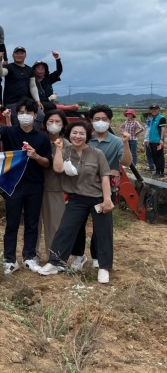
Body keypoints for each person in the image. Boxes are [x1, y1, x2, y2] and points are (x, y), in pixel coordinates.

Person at [39, 121, 114, 284]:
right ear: (69, 134)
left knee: (103, 232)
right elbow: (58, 169)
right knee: (65, 229)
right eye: (74, 133)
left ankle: (103, 267)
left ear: (87, 136)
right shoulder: (65, 151)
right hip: (77, 198)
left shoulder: (97, 153)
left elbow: (105, 177)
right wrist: (58, 149)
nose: (77, 136)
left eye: (81, 133)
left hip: (98, 198)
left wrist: (107, 199)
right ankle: (54, 262)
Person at [0, 98, 52, 274]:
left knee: (32, 223)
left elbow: (47, 162)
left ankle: (29, 257)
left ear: (34, 115)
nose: (25, 116)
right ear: (17, 115)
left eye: (28, 113)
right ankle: (9, 260)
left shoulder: (42, 137)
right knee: (12, 223)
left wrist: (36, 156)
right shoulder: (10, 132)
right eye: (21, 112)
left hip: (35, 185)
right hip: (13, 184)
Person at [69, 105, 131, 270]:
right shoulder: (85, 139)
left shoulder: (116, 141)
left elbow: (126, 162)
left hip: (103, 190)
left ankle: (97, 256)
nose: (100, 122)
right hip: (81, 188)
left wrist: (126, 144)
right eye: (96, 119)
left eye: (104, 119)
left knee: (100, 226)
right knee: (77, 223)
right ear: (91, 121)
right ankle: (78, 255)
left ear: (110, 121)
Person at [39, 110, 68, 263]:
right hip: (36, 187)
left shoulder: (67, 144)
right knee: (34, 225)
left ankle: (55, 258)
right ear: (45, 123)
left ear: (63, 125)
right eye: (51, 121)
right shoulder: (39, 139)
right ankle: (32, 255)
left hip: (55, 188)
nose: (54, 125)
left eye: (58, 122)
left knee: (55, 226)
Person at [0, 47, 41, 121]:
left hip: (26, 103)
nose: (19, 55)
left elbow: (33, 86)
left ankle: (30, 131)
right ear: (13, 55)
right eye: (17, 53)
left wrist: (37, 100)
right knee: (18, 121)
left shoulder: (30, 70)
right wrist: (0, 61)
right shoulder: (9, 67)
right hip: (12, 103)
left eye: (21, 53)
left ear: (25, 55)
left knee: (40, 115)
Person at [147, 104, 165, 178]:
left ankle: (160, 172)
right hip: (152, 142)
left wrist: (161, 140)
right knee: (154, 157)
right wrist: (149, 140)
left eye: (155, 109)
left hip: (158, 141)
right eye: (152, 109)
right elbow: (150, 131)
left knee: (159, 157)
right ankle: (157, 171)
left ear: (158, 110)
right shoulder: (152, 119)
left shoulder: (161, 118)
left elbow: (163, 130)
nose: (153, 110)